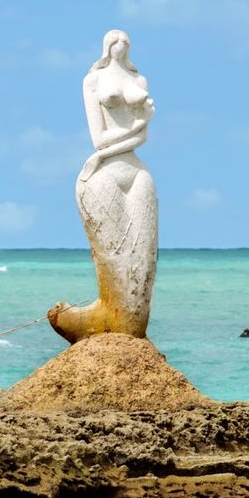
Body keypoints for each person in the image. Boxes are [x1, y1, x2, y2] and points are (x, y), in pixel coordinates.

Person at [48, 29, 159, 343]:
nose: (122, 42)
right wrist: (139, 122)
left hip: (137, 171)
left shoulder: (139, 81)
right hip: (105, 172)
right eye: (115, 39)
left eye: (126, 40)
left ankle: (129, 324)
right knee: (111, 254)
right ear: (106, 46)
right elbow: (99, 139)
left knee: (142, 258)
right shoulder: (93, 81)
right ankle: (108, 316)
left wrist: (138, 127)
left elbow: (142, 137)